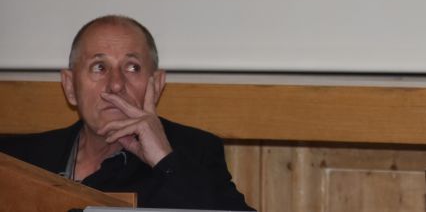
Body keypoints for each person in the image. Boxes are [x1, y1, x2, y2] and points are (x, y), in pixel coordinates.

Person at [0, 15, 254, 210]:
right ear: (70, 86)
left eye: (132, 68)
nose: (116, 84)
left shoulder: (193, 151)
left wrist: (165, 161)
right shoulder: (17, 159)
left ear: (156, 84)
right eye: (99, 67)